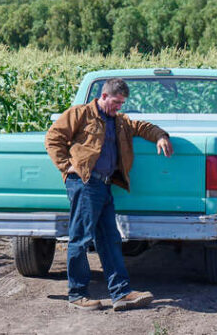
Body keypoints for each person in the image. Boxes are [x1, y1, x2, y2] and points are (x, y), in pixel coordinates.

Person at [45, 78, 173, 311]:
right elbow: (53, 138)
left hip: (104, 186)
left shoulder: (120, 122)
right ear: (103, 96)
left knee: (110, 240)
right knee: (80, 238)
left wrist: (161, 136)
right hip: (84, 184)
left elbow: (143, 127)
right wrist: (66, 166)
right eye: (116, 102)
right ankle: (77, 294)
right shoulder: (80, 114)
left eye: (122, 103)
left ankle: (121, 293)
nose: (119, 107)